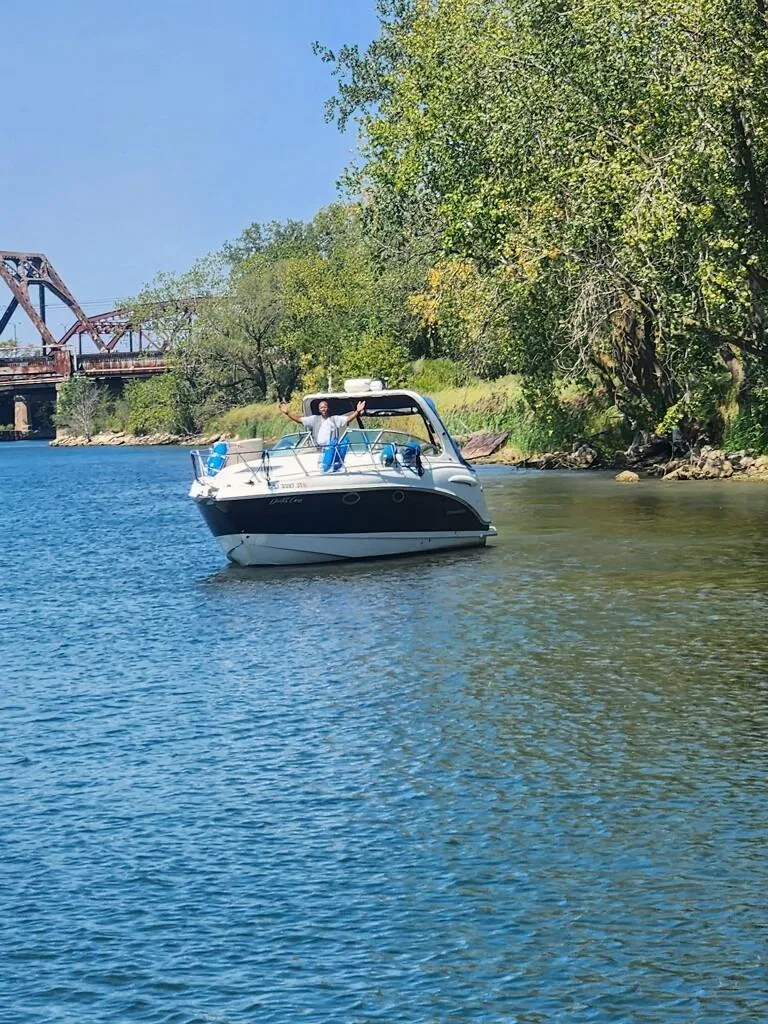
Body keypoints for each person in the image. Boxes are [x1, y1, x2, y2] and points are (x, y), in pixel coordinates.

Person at [278, 398, 365, 447]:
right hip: (318, 449)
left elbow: (348, 419)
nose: (323, 409)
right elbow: (300, 420)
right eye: (321, 408)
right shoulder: (314, 419)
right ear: (319, 410)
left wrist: (357, 411)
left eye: (325, 407)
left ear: (328, 408)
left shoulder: (334, 419)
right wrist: (288, 413)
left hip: (332, 449)